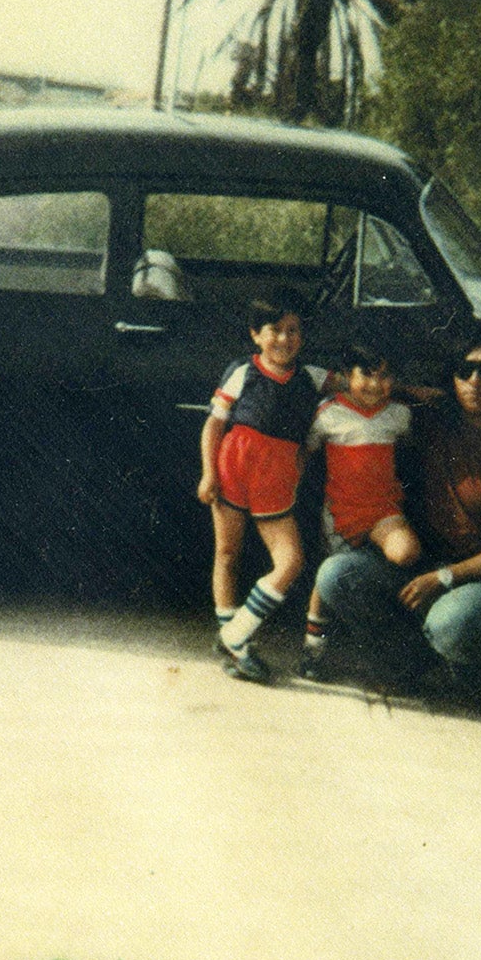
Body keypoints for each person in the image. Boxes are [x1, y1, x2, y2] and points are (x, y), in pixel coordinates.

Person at [312, 336, 481, 702]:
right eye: (465, 370)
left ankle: (477, 681)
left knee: (449, 625)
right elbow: (376, 389)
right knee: (336, 575)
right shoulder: (434, 423)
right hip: (423, 564)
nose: (475, 381)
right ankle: (406, 663)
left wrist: (445, 577)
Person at [197, 289, 331, 682]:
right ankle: (239, 649)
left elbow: (361, 385)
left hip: (277, 477)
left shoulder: (312, 377)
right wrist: (209, 473)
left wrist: (412, 393)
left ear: (302, 338)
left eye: (293, 331)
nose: (285, 339)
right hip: (233, 467)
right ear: (257, 335)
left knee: (290, 561)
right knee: (227, 554)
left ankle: (233, 633)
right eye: (275, 330)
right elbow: (214, 424)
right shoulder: (244, 371)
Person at [299, 341, 424, 678]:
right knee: (327, 578)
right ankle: (314, 649)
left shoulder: (399, 414)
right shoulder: (329, 412)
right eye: (366, 375)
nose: (375, 385)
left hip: (384, 509)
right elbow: (304, 452)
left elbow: (409, 449)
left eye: (384, 376)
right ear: (345, 376)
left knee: (406, 552)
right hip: (341, 510)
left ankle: (394, 630)